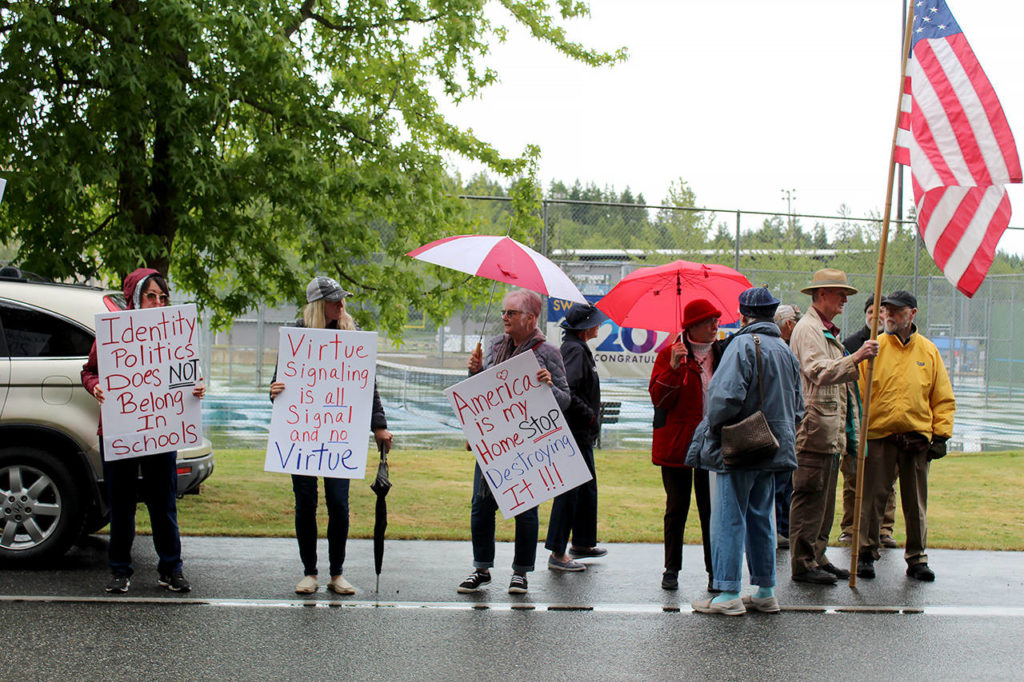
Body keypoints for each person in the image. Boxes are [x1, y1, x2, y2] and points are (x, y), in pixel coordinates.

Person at [81, 268, 205, 594]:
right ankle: (120, 570)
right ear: (136, 297)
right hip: (120, 430)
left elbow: (185, 377)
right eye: (151, 296)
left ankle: (171, 569)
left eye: (163, 297)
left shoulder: (174, 333)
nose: (158, 302)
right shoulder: (114, 332)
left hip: (160, 431)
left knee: (163, 503)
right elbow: (89, 371)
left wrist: (195, 389)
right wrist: (95, 387)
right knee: (120, 505)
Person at [269, 276, 392, 595]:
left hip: (339, 435)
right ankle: (310, 572)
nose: (341, 304)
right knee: (305, 502)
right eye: (334, 300)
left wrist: (379, 425)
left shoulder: (351, 336)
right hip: (303, 434)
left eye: (342, 299)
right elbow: (278, 384)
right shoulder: (297, 335)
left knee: (339, 503)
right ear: (317, 305)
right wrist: (275, 390)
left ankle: (336, 573)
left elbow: (368, 386)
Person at [686, 287, 803, 616]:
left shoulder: (741, 344)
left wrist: (712, 428)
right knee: (761, 517)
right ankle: (765, 590)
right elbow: (798, 406)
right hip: (773, 447)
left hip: (741, 444)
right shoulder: (784, 348)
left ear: (743, 315)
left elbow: (724, 399)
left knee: (728, 517)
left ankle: (727, 592)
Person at [458, 290, 571, 595]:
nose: (505, 318)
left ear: (530, 318)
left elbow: (565, 400)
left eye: (511, 313)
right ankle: (481, 567)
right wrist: (474, 371)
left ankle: (521, 572)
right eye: (503, 313)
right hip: (494, 444)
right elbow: (482, 392)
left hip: (527, 444)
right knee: (481, 505)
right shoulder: (495, 346)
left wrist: (549, 385)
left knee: (526, 508)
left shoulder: (548, 352)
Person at [856, 290, 954, 582]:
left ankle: (917, 558)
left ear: (912, 314)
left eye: (896, 311)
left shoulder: (928, 351)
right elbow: (859, 395)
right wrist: (857, 435)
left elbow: (943, 397)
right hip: (879, 436)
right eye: (886, 310)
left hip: (916, 439)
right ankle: (864, 554)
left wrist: (941, 435)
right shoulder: (873, 349)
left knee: (915, 502)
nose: (888, 316)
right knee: (871, 499)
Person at [788, 269, 878, 586]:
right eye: (840, 293)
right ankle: (802, 562)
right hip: (814, 431)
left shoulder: (826, 330)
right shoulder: (808, 329)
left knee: (825, 500)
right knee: (810, 495)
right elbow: (816, 371)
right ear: (821, 294)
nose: (844, 299)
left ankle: (818, 554)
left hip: (829, 431)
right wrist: (856, 357)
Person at [649, 299, 722, 592]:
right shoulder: (670, 353)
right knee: (676, 508)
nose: (715, 326)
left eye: (716, 321)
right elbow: (659, 400)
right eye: (709, 322)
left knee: (711, 511)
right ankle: (671, 569)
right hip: (678, 444)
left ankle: (715, 571)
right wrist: (674, 368)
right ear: (691, 326)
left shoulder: (723, 353)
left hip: (713, 443)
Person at [544, 303, 607, 573]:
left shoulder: (578, 348)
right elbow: (566, 391)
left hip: (582, 430)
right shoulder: (574, 350)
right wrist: (589, 416)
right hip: (575, 430)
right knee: (570, 489)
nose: (599, 326)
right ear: (584, 328)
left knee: (586, 487)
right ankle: (558, 552)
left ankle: (582, 542)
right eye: (595, 322)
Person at [839, 295, 897, 548]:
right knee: (853, 479)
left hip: (884, 424)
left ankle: (884, 529)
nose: (878, 316)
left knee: (886, 483)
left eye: (883, 311)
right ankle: (850, 528)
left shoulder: (895, 345)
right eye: (873, 311)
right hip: (855, 423)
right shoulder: (851, 343)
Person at [772, 303, 801, 549]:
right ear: (788, 324)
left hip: (786, 423)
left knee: (786, 482)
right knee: (781, 482)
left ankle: (783, 527)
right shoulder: (781, 349)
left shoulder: (787, 347)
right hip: (783, 424)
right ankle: (780, 528)